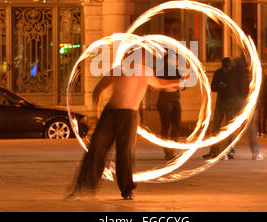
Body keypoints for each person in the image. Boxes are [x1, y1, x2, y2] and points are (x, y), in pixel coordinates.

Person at [67, 50, 186, 200]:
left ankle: (127, 190)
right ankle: (83, 186)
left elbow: (161, 83)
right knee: (97, 148)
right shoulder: (120, 69)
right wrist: (94, 115)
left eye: (143, 59)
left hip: (129, 116)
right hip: (110, 114)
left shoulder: (146, 73)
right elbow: (98, 90)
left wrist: (178, 82)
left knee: (125, 154)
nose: (141, 61)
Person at [202, 57, 235, 159]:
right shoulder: (218, 73)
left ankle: (230, 150)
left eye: (227, 68)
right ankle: (214, 150)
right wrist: (220, 86)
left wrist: (227, 86)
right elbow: (213, 87)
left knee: (230, 128)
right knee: (215, 127)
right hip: (220, 103)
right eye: (224, 68)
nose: (226, 70)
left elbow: (237, 87)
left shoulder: (234, 74)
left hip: (231, 103)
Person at [156, 52, 184, 161]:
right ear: (168, 60)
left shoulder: (177, 71)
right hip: (165, 100)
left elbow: (182, 86)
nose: (176, 61)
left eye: (177, 59)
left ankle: (173, 149)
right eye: (174, 59)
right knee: (166, 126)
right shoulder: (161, 71)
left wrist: (179, 83)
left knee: (177, 125)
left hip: (176, 99)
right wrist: (176, 83)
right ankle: (167, 151)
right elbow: (161, 85)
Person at [258, 65, 267, 137]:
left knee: (259, 116)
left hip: (257, 99)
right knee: (263, 116)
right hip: (264, 99)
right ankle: (263, 131)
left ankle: (259, 131)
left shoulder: (256, 78)